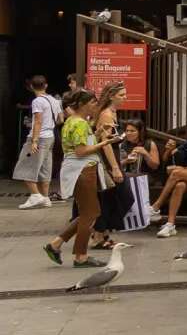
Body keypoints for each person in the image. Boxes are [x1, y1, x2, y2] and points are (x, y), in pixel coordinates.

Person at [45, 89, 113, 268]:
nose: (95, 106)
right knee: (91, 213)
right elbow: (81, 151)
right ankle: (80, 256)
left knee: (87, 213)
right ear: (82, 104)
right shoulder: (81, 124)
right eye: (92, 103)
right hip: (83, 170)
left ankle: (56, 244)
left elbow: (79, 146)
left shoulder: (72, 121)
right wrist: (104, 142)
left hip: (77, 170)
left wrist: (97, 135)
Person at [89, 82, 129, 250]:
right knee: (119, 197)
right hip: (107, 160)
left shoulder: (112, 112)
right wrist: (114, 167)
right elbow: (105, 143)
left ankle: (102, 233)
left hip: (112, 157)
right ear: (111, 96)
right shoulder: (106, 114)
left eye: (125, 94)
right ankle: (98, 234)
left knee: (111, 198)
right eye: (121, 95)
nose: (124, 98)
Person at [11, 75, 58, 209]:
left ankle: (35, 195)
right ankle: (45, 197)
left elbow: (38, 120)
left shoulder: (37, 101)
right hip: (50, 136)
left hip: (39, 137)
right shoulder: (53, 100)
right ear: (46, 86)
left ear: (31, 86)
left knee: (24, 166)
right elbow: (60, 118)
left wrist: (34, 141)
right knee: (45, 168)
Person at [115, 119, 159, 234]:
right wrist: (126, 161)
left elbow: (155, 165)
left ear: (140, 132)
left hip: (145, 176)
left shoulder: (149, 143)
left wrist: (145, 154)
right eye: (127, 131)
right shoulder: (122, 145)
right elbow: (116, 164)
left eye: (132, 131)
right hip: (127, 175)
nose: (129, 133)